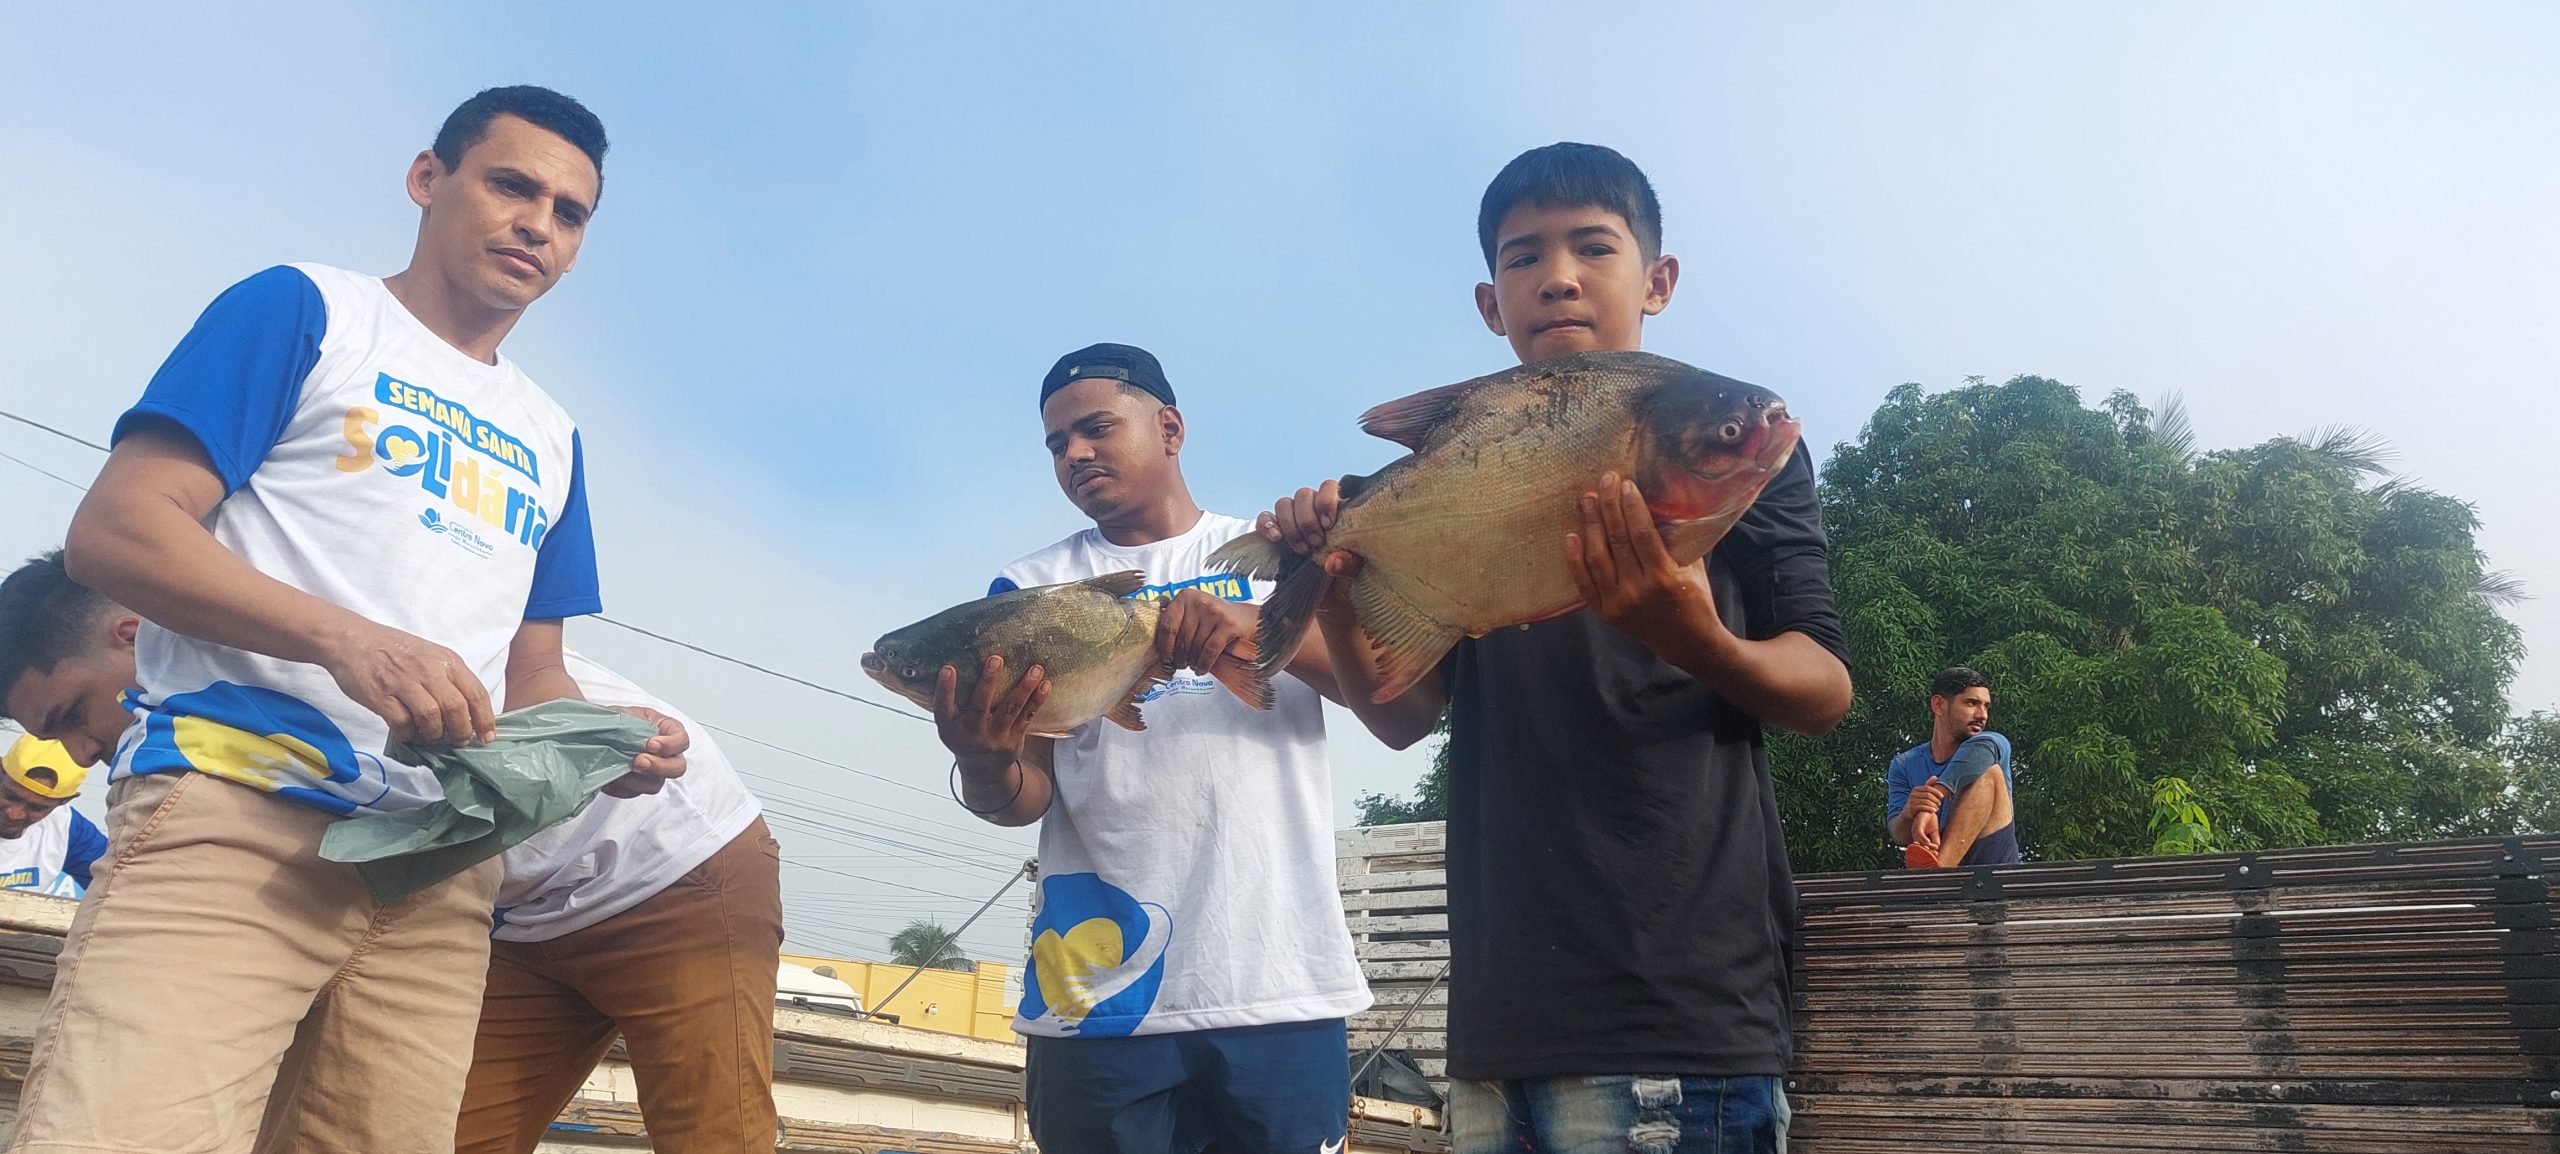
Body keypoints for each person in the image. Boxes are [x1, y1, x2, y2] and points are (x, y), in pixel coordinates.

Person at [0, 86, 689, 1154]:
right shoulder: (309, 311)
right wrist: (345, 637)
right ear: (427, 178)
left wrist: (598, 742)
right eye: (511, 185)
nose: (537, 225)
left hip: (436, 874)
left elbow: (533, 672)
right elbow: (120, 529)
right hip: (241, 812)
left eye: (569, 212)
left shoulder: (553, 436)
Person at [1261, 143, 1852, 1153]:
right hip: (1499, 1023)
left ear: (1658, 280)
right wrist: (1333, 583)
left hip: (1678, 1007)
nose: (1559, 276)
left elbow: (1825, 688)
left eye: (1593, 247)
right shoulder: (1468, 461)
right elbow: (1399, 717)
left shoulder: (1741, 449)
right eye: (1524, 255)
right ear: (1491, 302)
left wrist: (1697, 639)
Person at [0, 553, 780, 1153]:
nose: (82, 751)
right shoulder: (221, 724)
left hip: (674, 874)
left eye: (70, 713)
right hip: (513, 922)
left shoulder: (315, 636)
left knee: (715, 1135)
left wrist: (603, 742)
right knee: (450, 1136)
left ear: (133, 634)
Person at [932, 343, 1372, 1153]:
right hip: (1097, 997)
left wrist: (1256, 627)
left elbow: (1374, 688)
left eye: (1095, 429)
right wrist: (984, 761)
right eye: (1057, 444)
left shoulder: (1276, 552)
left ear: (1170, 428)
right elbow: (1025, 793)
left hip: (1279, 979)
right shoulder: (1028, 591)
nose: (1074, 454)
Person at [1886, 666, 2020, 868]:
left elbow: (1984, 749)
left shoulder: (1993, 744)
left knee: (1989, 773)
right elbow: (1899, 835)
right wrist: (1911, 810)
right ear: (1939, 705)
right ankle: (1940, 874)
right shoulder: (1904, 764)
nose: (1982, 715)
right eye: (1972, 703)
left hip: (1995, 871)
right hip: (1949, 872)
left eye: (1986, 706)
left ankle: (1940, 872)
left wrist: (1934, 798)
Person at [0, 731, 108, 899]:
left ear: (63, 801)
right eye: (10, 796)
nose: (15, 814)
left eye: (36, 808)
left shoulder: (66, 828)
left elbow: (118, 882)